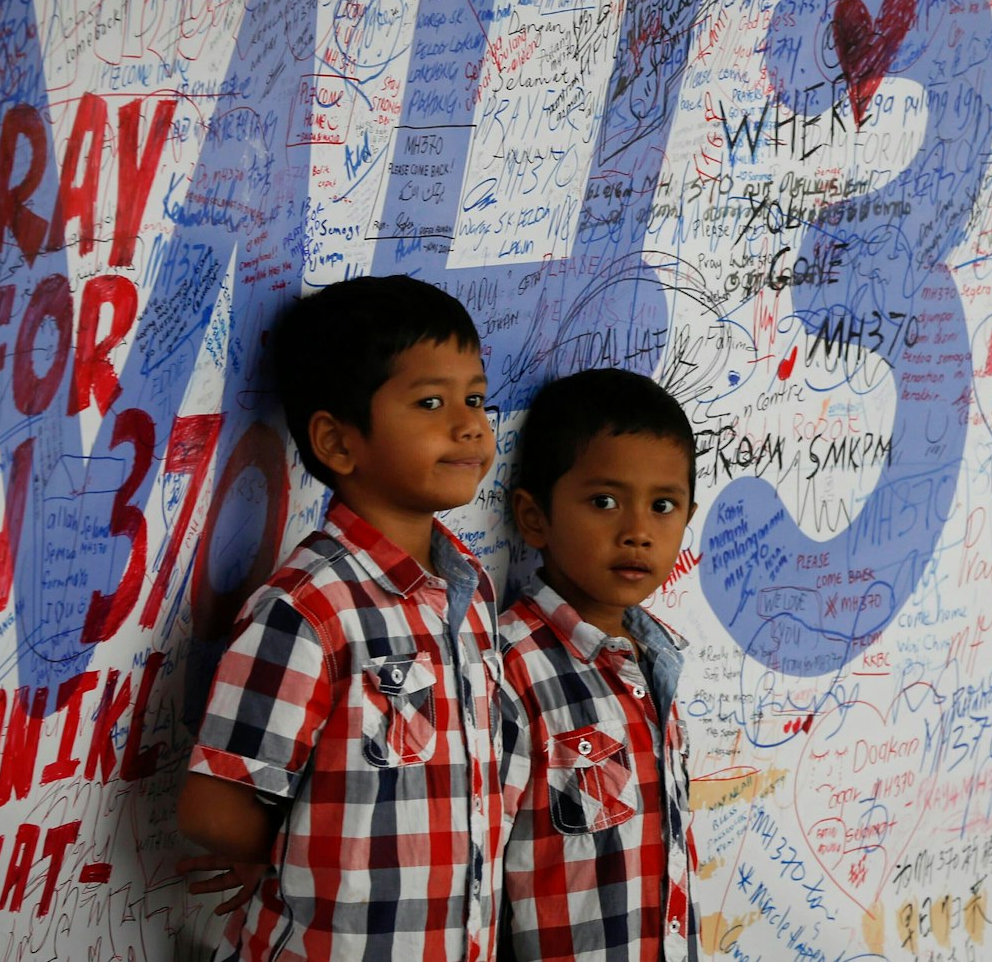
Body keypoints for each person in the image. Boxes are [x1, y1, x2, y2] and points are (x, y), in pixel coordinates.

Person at [178, 275, 504, 962]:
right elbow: (215, 808)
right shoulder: (310, 605)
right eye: (431, 401)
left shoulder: (470, 594)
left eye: (475, 397)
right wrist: (301, 859)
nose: (471, 423)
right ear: (337, 440)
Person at [499, 368, 700, 961]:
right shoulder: (508, 669)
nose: (638, 532)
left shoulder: (656, 661)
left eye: (663, 505)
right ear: (534, 517)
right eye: (604, 501)